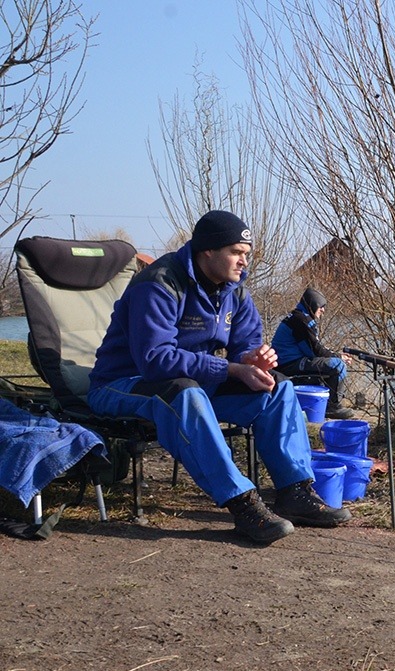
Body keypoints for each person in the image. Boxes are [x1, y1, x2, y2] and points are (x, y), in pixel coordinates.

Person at [87, 210, 352, 544]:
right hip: (122, 383)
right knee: (185, 394)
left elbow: (246, 344)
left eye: (246, 254)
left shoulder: (234, 291)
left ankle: (295, 492)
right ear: (207, 251)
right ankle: (243, 505)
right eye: (236, 253)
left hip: (192, 384)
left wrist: (253, 359)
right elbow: (155, 360)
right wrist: (230, 368)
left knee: (278, 388)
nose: (244, 262)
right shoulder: (159, 284)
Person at [271, 286, 356, 419]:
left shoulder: (297, 317)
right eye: (321, 306)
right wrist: (340, 357)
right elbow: (314, 351)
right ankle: (333, 407)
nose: (323, 310)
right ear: (313, 304)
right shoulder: (302, 321)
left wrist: (335, 355)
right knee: (337, 365)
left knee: (329, 364)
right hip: (290, 364)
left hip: (287, 362)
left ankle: (324, 403)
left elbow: (314, 348)